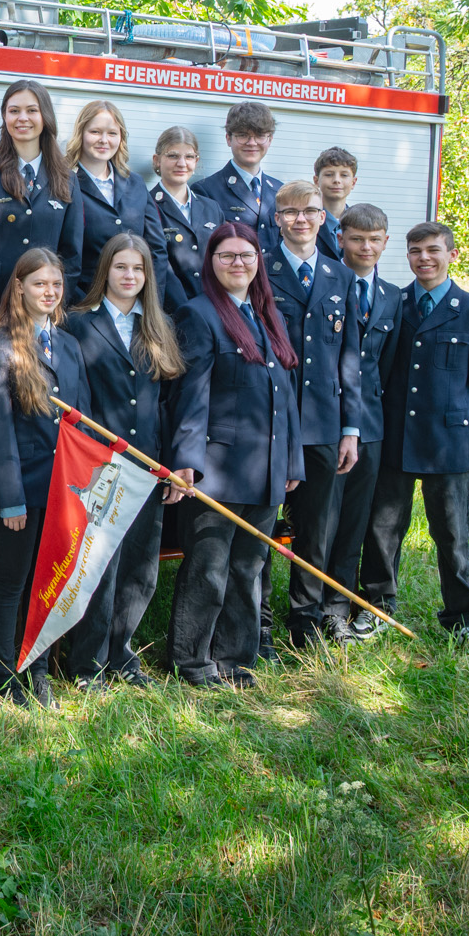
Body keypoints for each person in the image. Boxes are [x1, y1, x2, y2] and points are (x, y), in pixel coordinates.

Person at [165, 222, 303, 688]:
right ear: (211, 263)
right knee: (208, 569)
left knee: (249, 568)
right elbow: (191, 395)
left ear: (259, 261)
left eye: (246, 255)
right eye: (226, 256)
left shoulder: (268, 314)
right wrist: (187, 460)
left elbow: (285, 395)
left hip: (265, 469)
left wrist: (291, 461)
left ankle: (236, 659)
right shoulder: (199, 314)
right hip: (217, 469)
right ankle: (192, 662)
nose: (237, 263)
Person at [358, 222, 469, 650]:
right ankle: (378, 608)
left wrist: (457, 419)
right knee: (383, 528)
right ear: (406, 255)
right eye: (415, 251)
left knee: (453, 534)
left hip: (448, 441)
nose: (424, 258)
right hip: (396, 436)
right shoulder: (394, 303)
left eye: (433, 250)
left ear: (451, 255)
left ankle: (462, 619)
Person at [62, 234, 185, 687]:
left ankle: (121, 655)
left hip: (147, 465)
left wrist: (169, 464)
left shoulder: (158, 324)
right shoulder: (79, 322)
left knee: (139, 567)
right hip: (100, 465)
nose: (129, 276)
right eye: (120, 267)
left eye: (137, 269)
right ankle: (87, 665)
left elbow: (168, 403)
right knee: (98, 567)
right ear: (105, 272)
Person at [0, 246, 91, 708]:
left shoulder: (68, 345)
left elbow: (82, 424)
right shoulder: (0, 345)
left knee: (48, 584)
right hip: (19, 492)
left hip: (62, 489)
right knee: (11, 582)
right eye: (39, 283)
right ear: (19, 287)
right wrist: (11, 499)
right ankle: (2, 678)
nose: (49, 291)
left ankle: (37, 671)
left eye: (56, 284)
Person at [260, 180, 362, 649]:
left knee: (317, 529)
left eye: (309, 212)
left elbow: (349, 358)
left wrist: (350, 428)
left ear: (324, 218)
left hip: (323, 423)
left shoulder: (341, 276)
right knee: (263, 528)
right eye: (290, 212)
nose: (300, 219)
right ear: (276, 218)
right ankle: (258, 621)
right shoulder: (260, 268)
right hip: (271, 422)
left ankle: (305, 620)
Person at [326, 204, 405, 640]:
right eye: (357, 239)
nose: (366, 247)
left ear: (386, 243)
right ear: (340, 239)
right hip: (324, 419)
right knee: (324, 519)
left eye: (374, 240)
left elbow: (386, 367)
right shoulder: (325, 283)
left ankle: (340, 605)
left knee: (356, 518)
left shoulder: (393, 296)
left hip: (370, 424)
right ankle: (316, 603)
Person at [0, 79, 84, 325]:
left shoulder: (67, 179)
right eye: (14, 111)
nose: (23, 118)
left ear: (45, 117)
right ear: (5, 117)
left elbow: (72, 255)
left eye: (32, 110)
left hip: (41, 311)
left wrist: (55, 306)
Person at [66, 100, 172, 305]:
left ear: (121, 138)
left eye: (112, 133)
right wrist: (80, 305)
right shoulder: (64, 183)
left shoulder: (136, 183)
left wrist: (150, 303)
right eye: (95, 132)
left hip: (133, 303)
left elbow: (157, 250)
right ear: (81, 134)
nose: (104, 140)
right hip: (83, 304)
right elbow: (62, 254)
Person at [148, 125, 225, 310]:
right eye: (173, 156)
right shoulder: (146, 205)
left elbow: (223, 259)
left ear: (196, 161)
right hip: (169, 311)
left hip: (213, 309)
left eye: (189, 157)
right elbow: (156, 267)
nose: (182, 163)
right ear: (157, 160)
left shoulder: (212, 208)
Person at [191, 103, 282, 244]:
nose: (252, 143)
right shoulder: (205, 191)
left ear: (270, 140)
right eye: (243, 135)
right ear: (228, 138)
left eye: (259, 135)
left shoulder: (280, 191)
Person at [313, 147, 359, 260]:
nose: (337, 180)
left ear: (353, 182)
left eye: (344, 175)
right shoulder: (308, 222)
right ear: (316, 181)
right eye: (329, 174)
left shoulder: (360, 223)